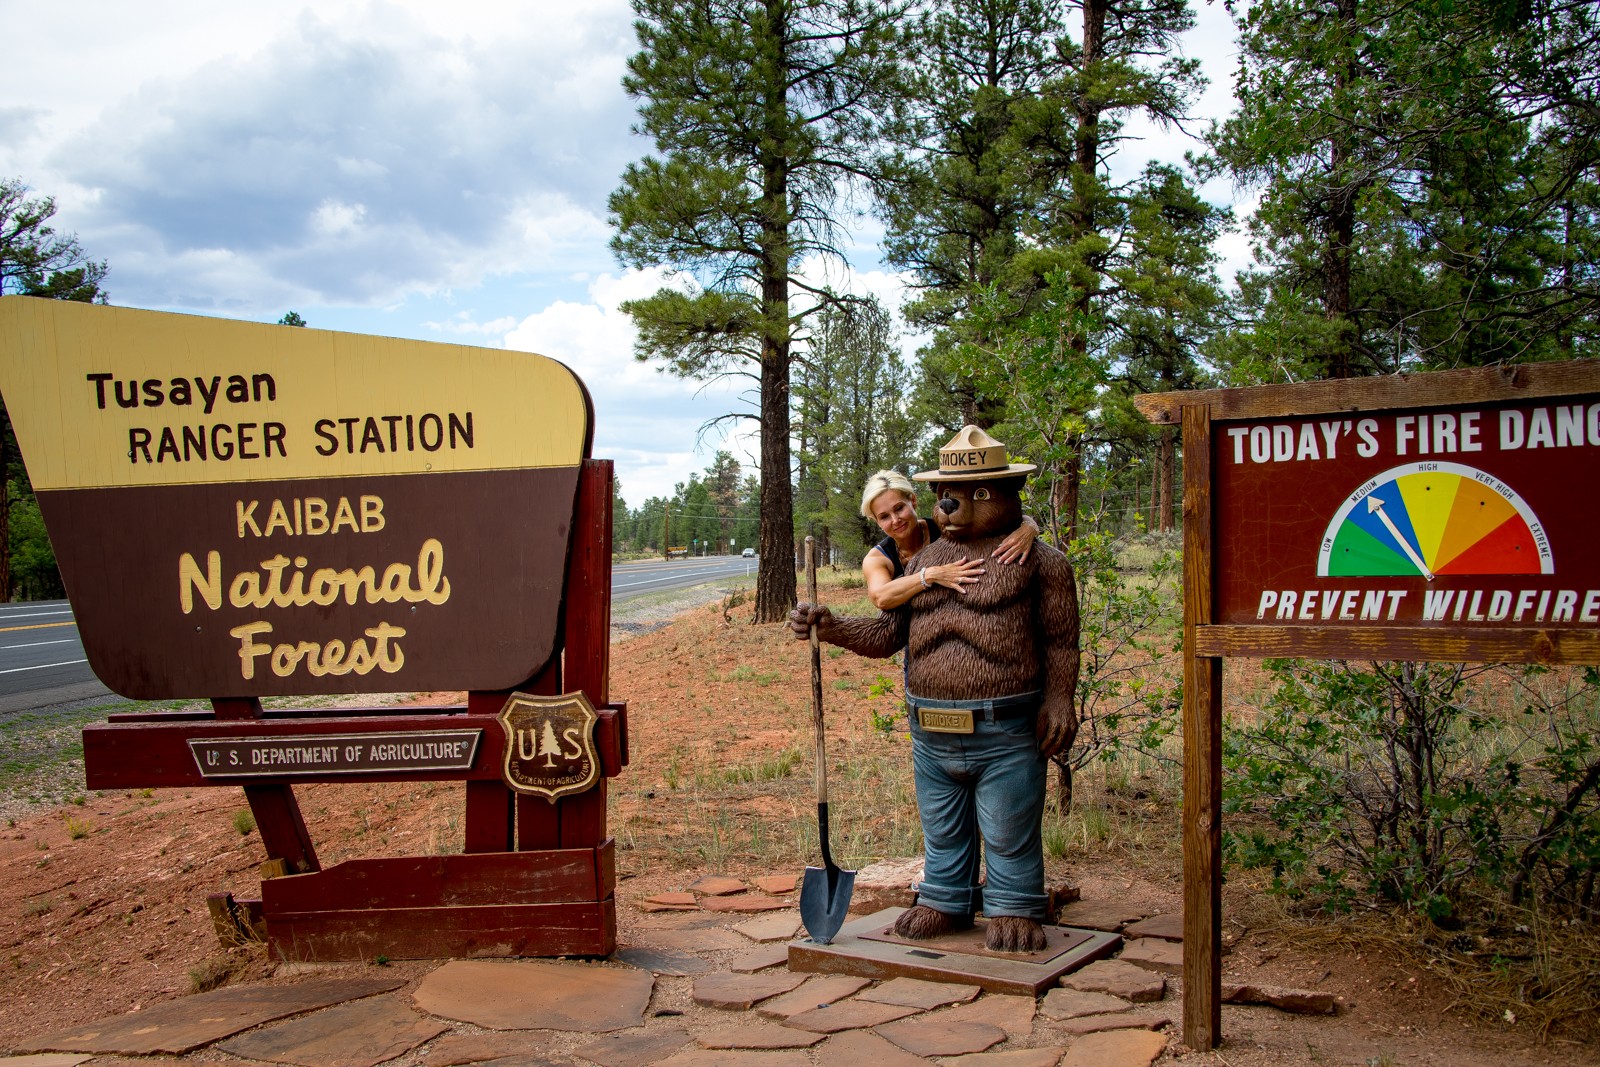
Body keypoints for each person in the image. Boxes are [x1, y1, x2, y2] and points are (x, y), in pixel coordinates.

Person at [859, 469, 1038, 611]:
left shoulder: (946, 526)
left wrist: (1029, 527)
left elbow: (992, 521)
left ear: (913, 501)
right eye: (884, 517)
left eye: (899, 508)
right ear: (876, 521)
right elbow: (880, 597)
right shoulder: (878, 558)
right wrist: (931, 574)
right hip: (917, 633)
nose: (895, 520)